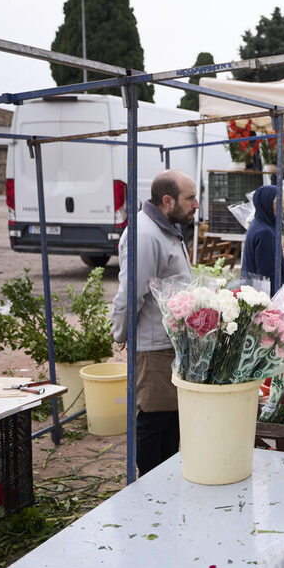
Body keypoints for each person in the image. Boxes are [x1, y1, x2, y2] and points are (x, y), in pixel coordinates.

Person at [112, 169, 198, 476]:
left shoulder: (167, 227)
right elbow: (130, 294)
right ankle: (149, 484)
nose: (196, 204)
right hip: (154, 347)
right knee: (153, 418)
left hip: (171, 344)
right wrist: (121, 332)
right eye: (190, 198)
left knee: (171, 419)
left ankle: (166, 479)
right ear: (167, 200)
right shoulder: (144, 235)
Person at [241, 185, 284, 294]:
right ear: (267, 205)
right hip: (265, 298)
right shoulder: (265, 232)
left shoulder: (258, 224)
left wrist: (281, 251)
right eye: (278, 206)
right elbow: (267, 276)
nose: (282, 210)